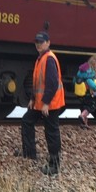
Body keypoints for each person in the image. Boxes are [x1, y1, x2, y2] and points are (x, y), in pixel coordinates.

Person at [19, 31, 65, 175]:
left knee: (51, 131)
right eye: (37, 42)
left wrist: (45, 103)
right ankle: (29, 152)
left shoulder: (49, 59)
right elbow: (37, 82)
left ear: (48, 43)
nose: (39, 44)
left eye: (41, 42)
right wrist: (33, 99)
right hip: (40, 102)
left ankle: (54, 165)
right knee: (27, 121)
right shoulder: (41, 58)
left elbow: (52, 83)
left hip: (50, 104)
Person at [76, 54, 96, 129]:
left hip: (81, 92)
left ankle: (84, 124)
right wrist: (95, 89)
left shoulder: (83, 69)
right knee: (90, 107)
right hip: (88, 92)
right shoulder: (90, 71)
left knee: (83, 106)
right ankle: (82, 116)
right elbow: (89, 80)